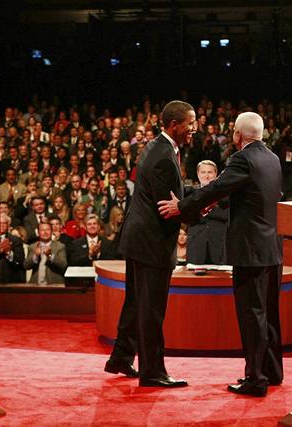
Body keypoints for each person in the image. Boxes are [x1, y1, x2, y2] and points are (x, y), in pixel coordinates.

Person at [158, 112, 283, 397]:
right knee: (270, 313)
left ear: (239, 134)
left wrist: (184, 207)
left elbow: (216, 187)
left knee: (252, 315)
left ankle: (255, 379)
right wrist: (217, 204)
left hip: (250, 250)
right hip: (272, 248)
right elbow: (250, 195)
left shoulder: (242, 158)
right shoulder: (273, 159)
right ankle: (272, 371)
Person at [104, 100, 196, 388]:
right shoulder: (164, 156)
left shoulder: (160, 147)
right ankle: (153, 371)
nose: (193, 128)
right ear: (173, 125)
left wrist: (198, 195)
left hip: (140, 240)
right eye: (189, 123)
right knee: (151, 309)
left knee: (135, 303)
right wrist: (201, 205)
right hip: (151, 243)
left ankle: (120, 358)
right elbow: (170, 206)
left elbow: (175, 195)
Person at [186, 160, 228, 265]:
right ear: (198, 174)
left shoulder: (225, 194)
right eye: (203, 172)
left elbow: (228, 215)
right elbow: (186, 216)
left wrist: (203, 209)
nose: (206, 176)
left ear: (216, 174)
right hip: (196, 244)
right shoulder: (189, 193)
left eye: (209, 172)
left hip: (219, 244)